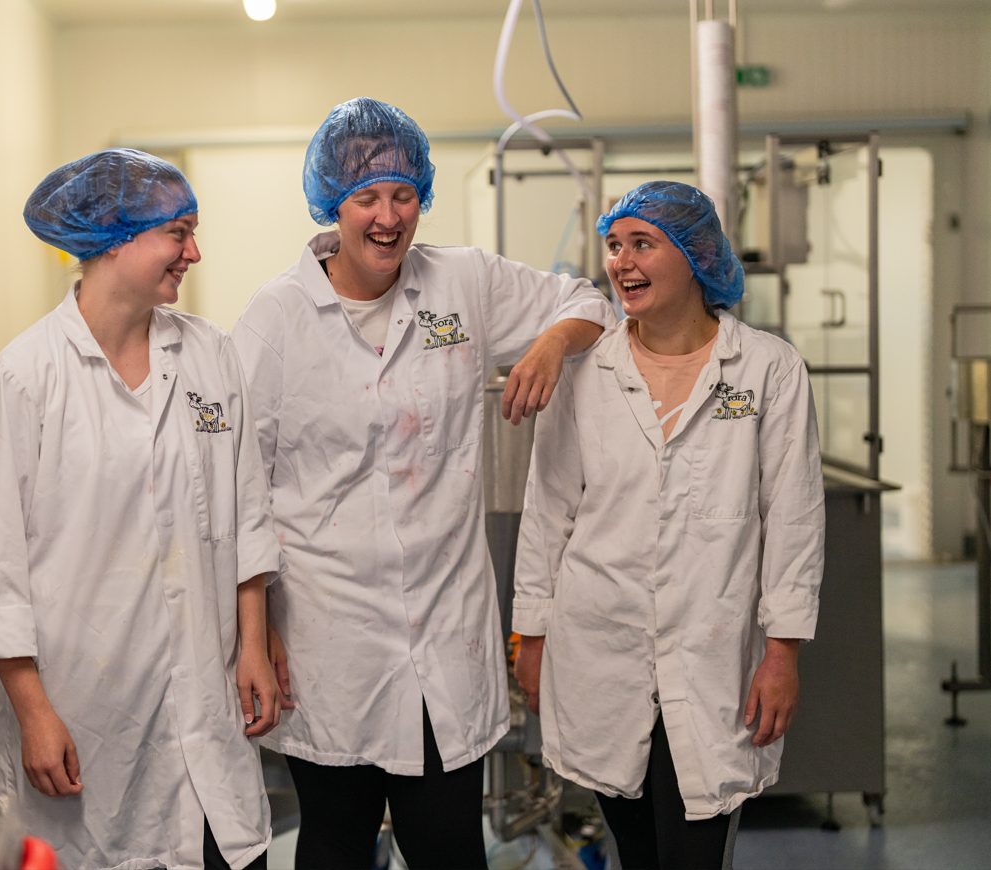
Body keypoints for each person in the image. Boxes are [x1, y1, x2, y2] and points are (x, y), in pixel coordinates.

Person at [231, 97, 615, 869]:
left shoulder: (460, 282)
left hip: (444, 631)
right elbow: (241, 488)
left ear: (422, 198)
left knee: (446, 848)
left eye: (402, 195)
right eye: (365, 198)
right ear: (330, 205)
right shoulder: (275, 319)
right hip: (324, 634)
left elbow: (587, 301)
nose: (386, 217)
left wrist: (545, 348)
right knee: (335, 843)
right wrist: (254, 632)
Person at [0, 149, 285, 870]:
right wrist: (34, 713)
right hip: (85, 719)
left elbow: (245, 513)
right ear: (113, 238)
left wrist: (252, 643)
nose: (193, 252)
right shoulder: (22, 380)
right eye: (178, 233)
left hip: (205, 713)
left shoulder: (210, 357)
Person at [512, 181, 825, 870]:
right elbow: (547, 511)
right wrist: (529, 636)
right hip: (599, 646)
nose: (622, 262)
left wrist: (783, 653)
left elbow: (794, 517)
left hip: (711, 653)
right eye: (614, 247)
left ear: (694, 255)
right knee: (634, 845)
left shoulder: (768, 370)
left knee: (694, 845)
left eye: (642, 245)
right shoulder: (585, 372)